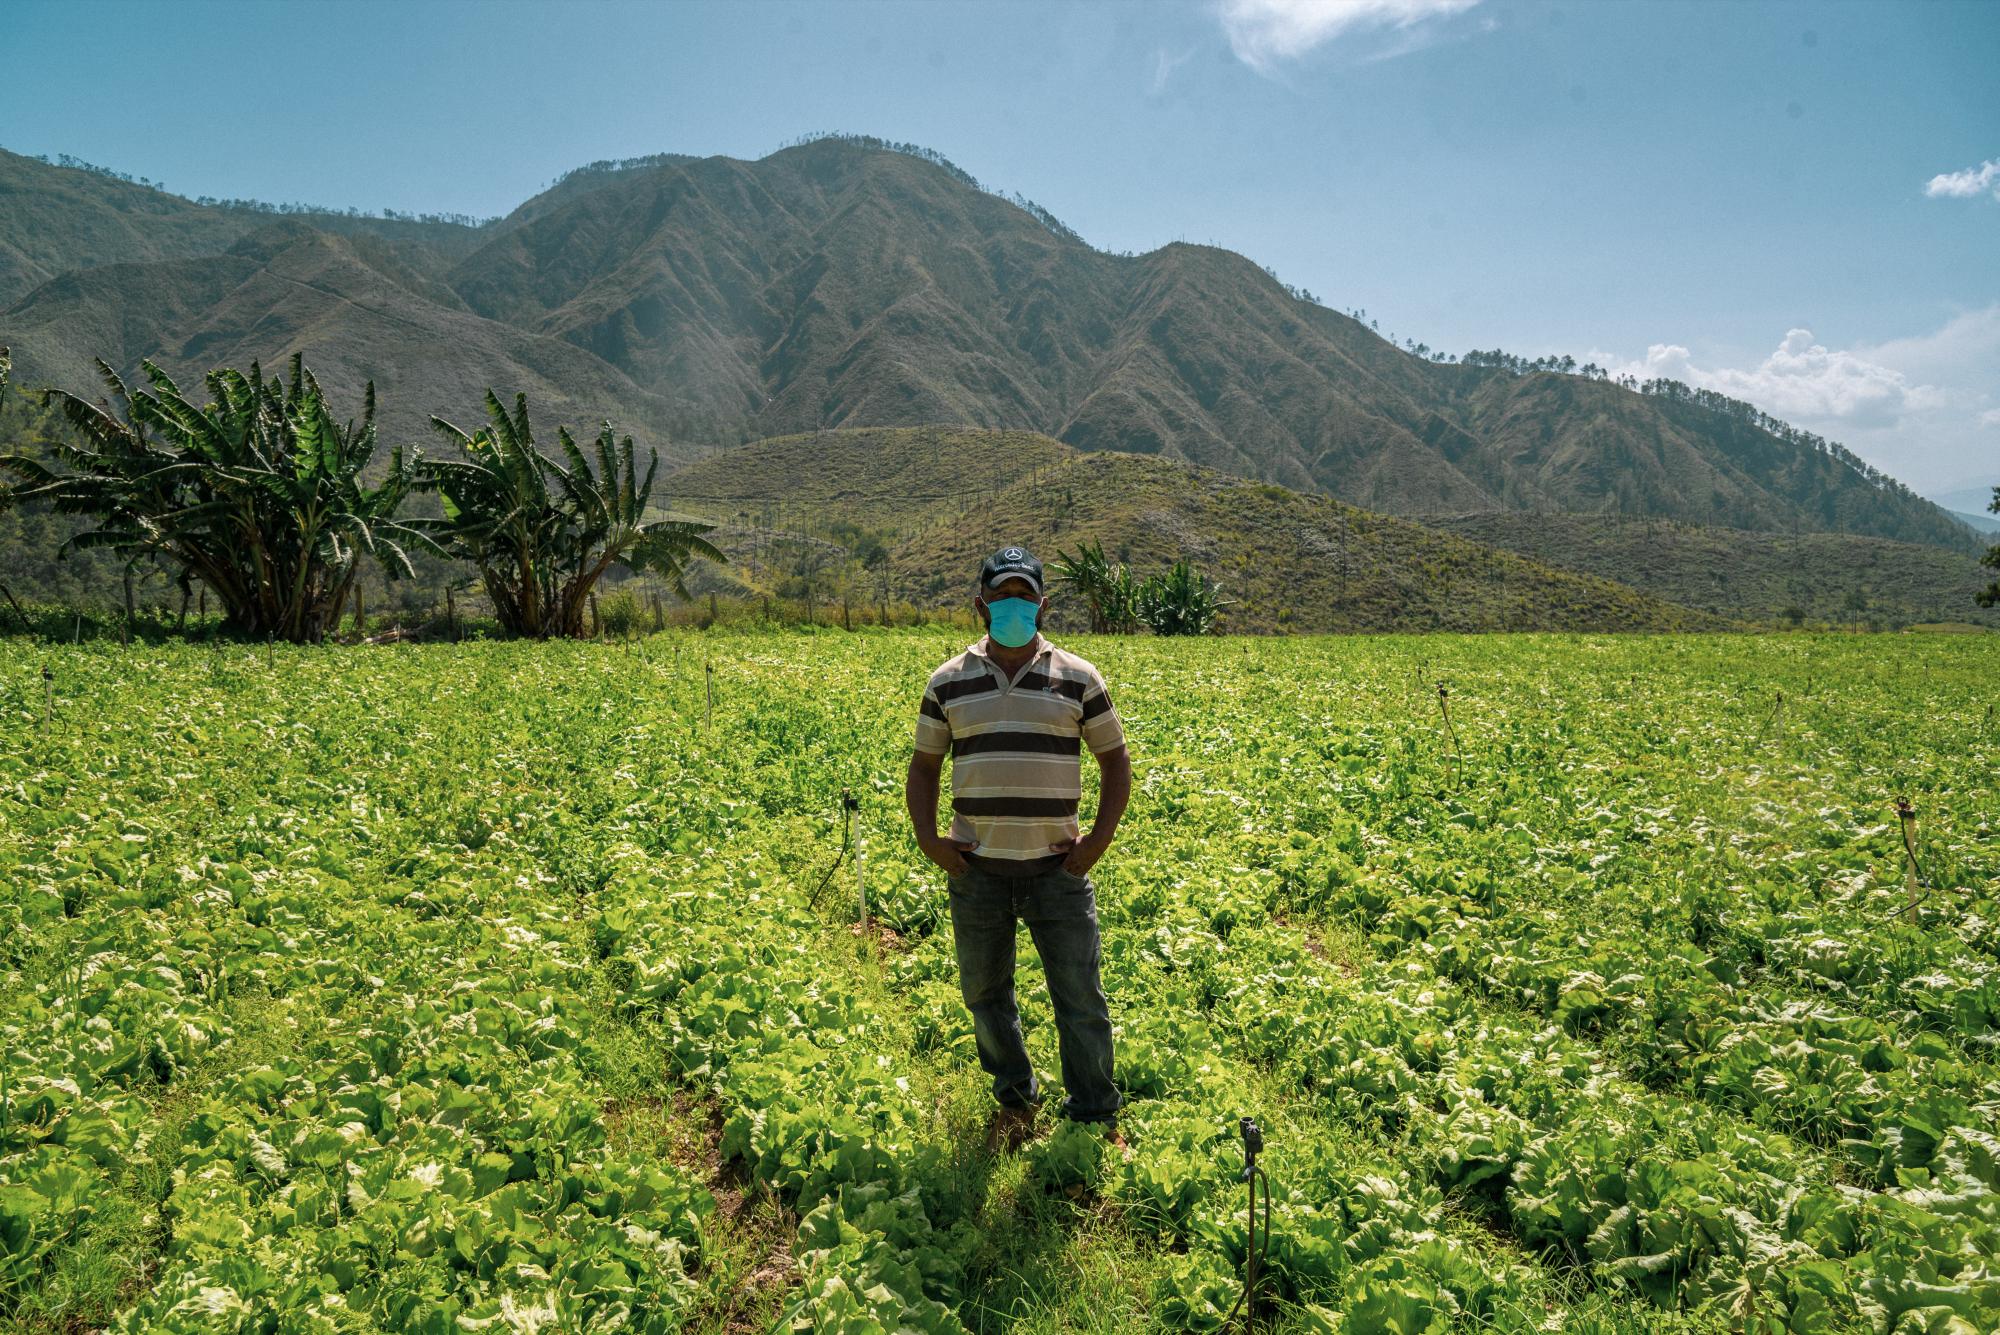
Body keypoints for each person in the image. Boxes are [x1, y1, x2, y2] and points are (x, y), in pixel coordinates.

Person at [905, 545, 1132, 1152]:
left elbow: (1115, 761)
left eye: (1023, 596)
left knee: (1079, 995)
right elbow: (926, 766)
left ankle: (1093, 1109)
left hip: (1057, 868)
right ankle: (1015, 1094)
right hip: (977, 868)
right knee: (984, 992)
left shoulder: (1079, 678)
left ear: (1042, 604)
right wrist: (929, 838)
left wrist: (1099, 840)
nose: (1013, 606)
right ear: (980, 604)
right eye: (1001, 597)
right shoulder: (948, 682)